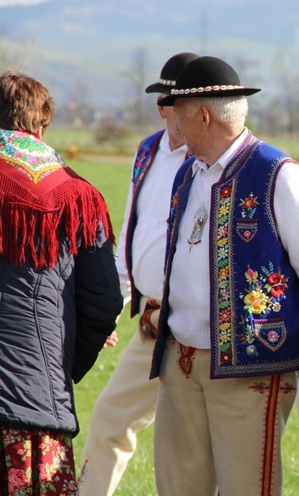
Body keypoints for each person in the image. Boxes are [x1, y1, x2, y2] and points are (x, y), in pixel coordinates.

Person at [148, 55, 299, 496]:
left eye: (177, 113)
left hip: (251, 366)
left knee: (247, 488)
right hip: (180, 361)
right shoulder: (188, 173)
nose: (171, 124)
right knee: (178, 487)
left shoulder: (280, 176)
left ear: (201, 116)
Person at [0, 71, 122, 494]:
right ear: (40, 125)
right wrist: (59, 363)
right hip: (32, 403)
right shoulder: (77, 194)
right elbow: (104, 302)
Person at [77, 52, 198, 496]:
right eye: (169, 101)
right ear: (163, 106)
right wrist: (114, 302)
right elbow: (130, 229)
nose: (172, 110)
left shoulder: (215, 159)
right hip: (150, 320)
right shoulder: (148, 149)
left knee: (190, 438)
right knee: (111, 414)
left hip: (196, 321)